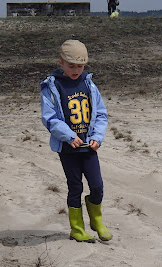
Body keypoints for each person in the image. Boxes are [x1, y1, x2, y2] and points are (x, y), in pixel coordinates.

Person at [40, 40, 113, 243]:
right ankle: (77, 229)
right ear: (61, 62)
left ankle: (96, 220)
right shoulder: (52, 86)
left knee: (97, 186)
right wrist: (69, 136)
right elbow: (50, 118)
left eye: (80, 66)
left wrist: (97, 137)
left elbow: (101, 115)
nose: (76, 70)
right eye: (71, 66)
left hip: (89, 148)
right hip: (67, 148)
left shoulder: (89, 84)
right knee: (75, 187)